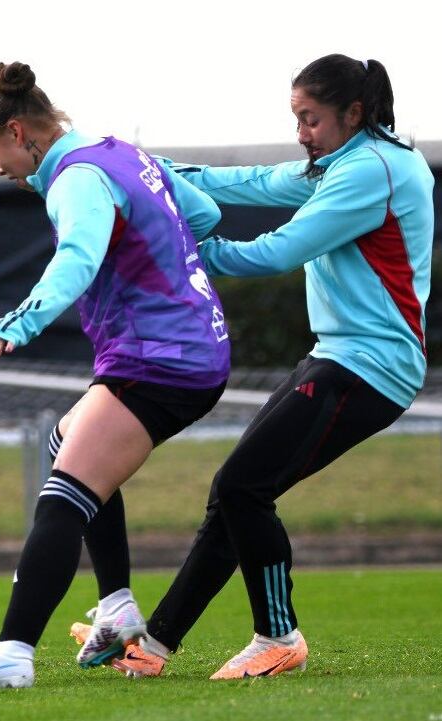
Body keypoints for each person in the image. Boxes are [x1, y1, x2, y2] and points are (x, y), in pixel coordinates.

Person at [72, 53, 434, 680]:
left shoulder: (372, 170)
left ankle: (278, 635)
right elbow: (255, 184)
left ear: (352, 113)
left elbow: (278, 251)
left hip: (370, 365)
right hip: (341, 355)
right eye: (296, 118)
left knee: (245, 488)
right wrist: (151, 172)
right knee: (232, 493)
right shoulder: (351, 159)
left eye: (310, 119)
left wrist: (179, 248)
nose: (301, 133)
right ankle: (152, 649)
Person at [0, 61, 231, 690]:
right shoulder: (115, 151)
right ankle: (115, 607)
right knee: (68, 442)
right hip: (186, 348)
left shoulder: (73, 180)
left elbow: (77, 259)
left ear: (18, 131)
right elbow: (202, 215)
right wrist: (157, 260)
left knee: (63, 495)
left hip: (160, 358)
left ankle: (13, 652)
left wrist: (18, 322)